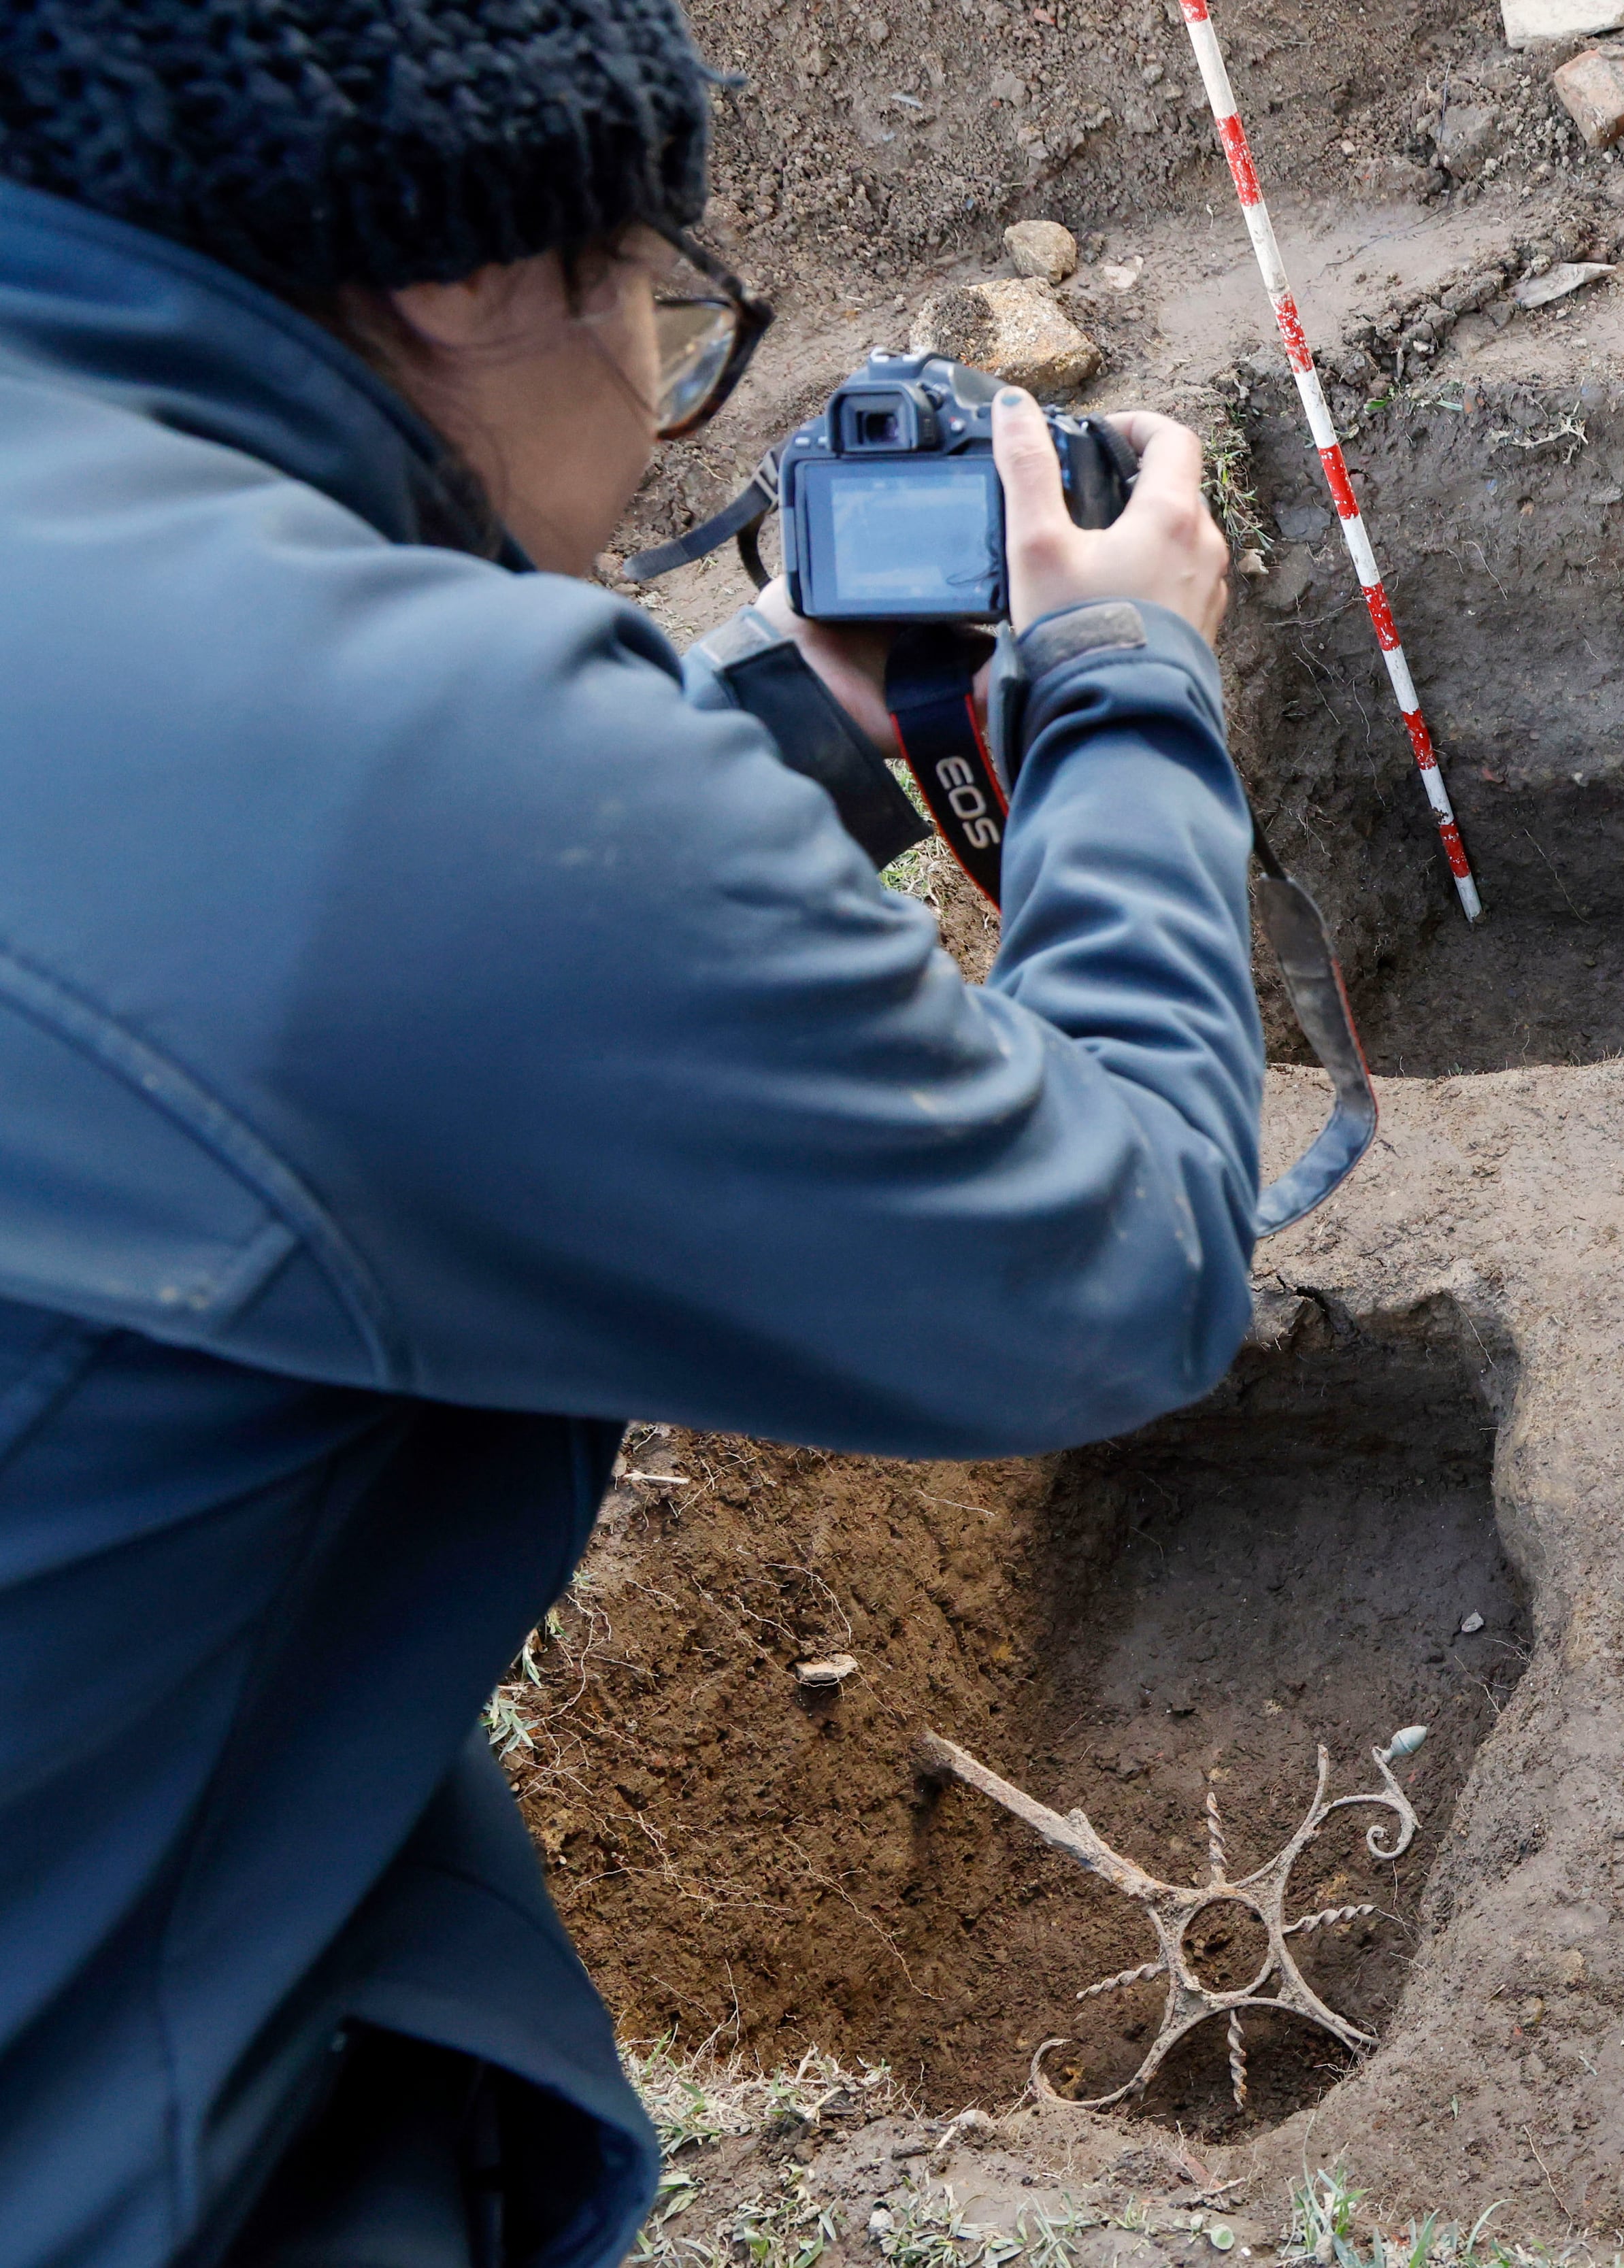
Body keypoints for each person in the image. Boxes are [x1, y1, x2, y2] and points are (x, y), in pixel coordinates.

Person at [0, 3, 1268, 2261]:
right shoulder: (426, 795)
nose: (675, 389)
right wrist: (1132, 695)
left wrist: (752, 736)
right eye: (667, 314)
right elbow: (1136, 1260)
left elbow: (254, 901)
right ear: (479, 289)